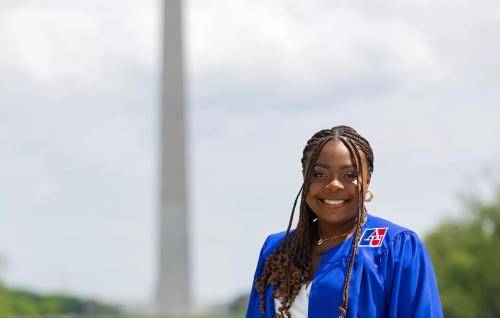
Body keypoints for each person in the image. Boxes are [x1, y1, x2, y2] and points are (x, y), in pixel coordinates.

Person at [245, 125, 443, 318]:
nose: (333, 185)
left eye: (349, 175)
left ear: (368, 180)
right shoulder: (277, 249)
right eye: (319, 174)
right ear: (304, 178)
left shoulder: (395, 246)